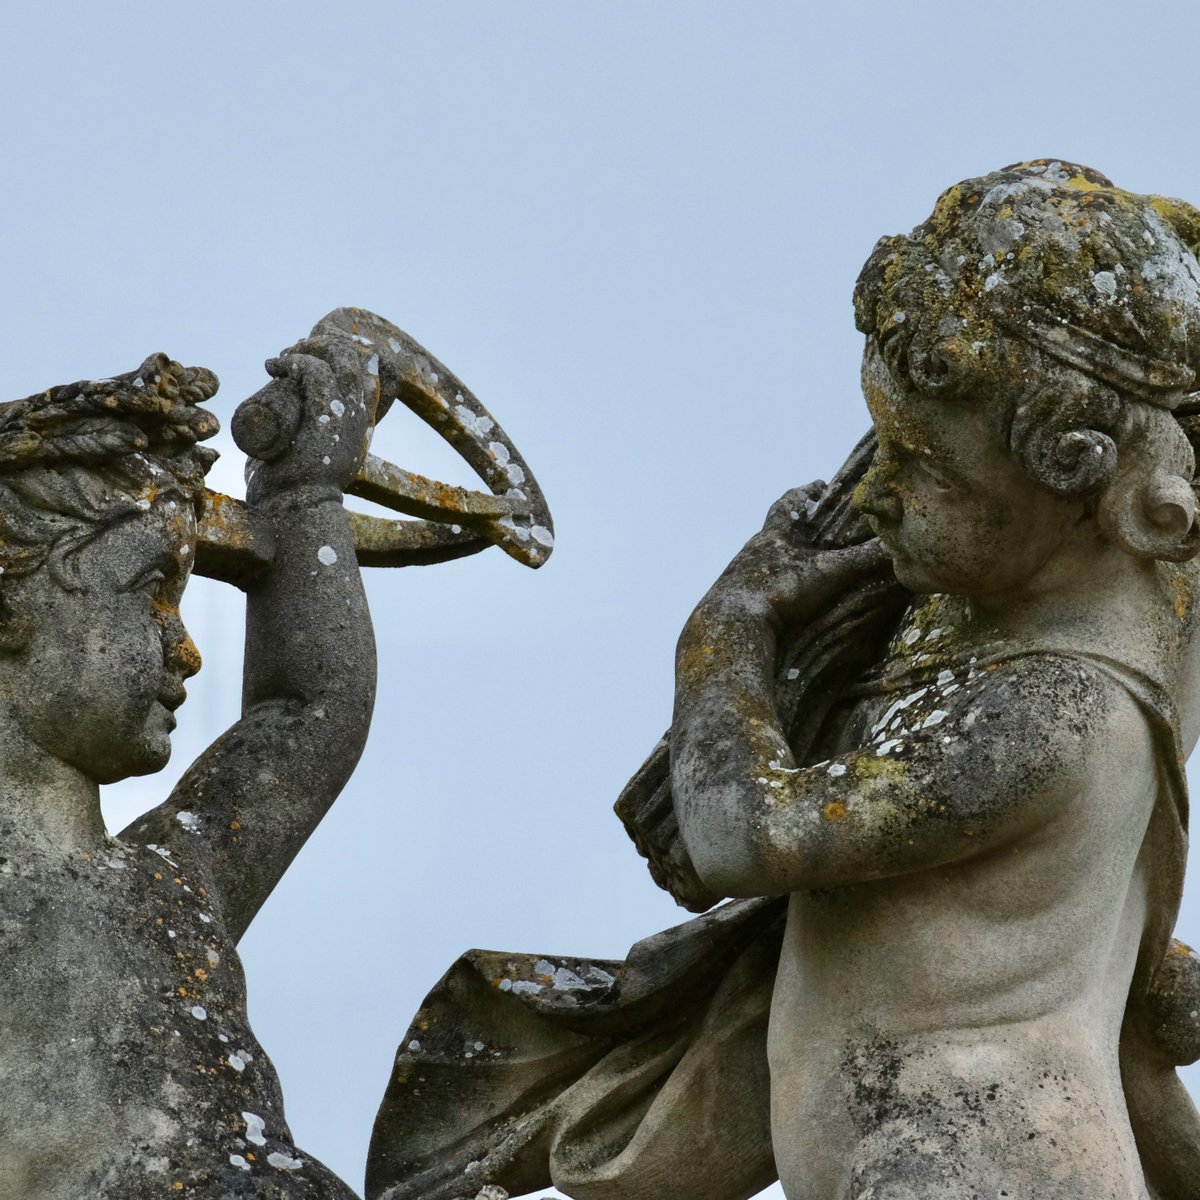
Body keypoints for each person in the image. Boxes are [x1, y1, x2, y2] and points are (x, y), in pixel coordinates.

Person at [368, 163, 1200, 1200]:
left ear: (1072, 473)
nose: (881, 494)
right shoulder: (1013, 605)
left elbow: (743, 837)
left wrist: (725, 631)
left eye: (923, 469)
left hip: (979, 1164)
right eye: (885, 451)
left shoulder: (1052, 713)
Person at [0, 329, 376, 1197]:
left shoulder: (167, 887)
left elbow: (312, 709)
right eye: (150, 595)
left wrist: (303, 493)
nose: (187, 649)